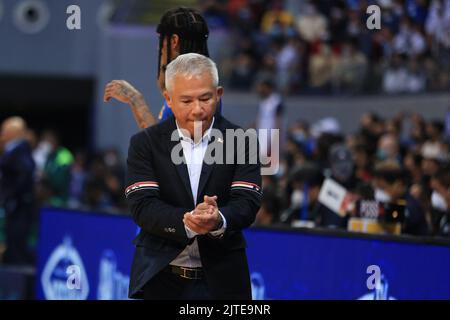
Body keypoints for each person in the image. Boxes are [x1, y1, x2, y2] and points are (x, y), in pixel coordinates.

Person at [125, 53, 261, 300]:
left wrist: (218, 219)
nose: (197, 110)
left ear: (219, 94)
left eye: (206, 98)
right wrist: (187, 222)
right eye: (186, 101)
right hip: (161, 279)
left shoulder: (242, 140)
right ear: (168, 99)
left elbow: (247, 201)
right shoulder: (144, 143)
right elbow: (142, 206)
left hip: (224, 282)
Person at [104, 7, 217, 129]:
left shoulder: (193, 90)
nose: (159, 47)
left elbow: (162, 147)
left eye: (161, 39)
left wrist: (135, 100)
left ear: (174, 41)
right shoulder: (198, 82)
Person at [0, 117, 35, 265]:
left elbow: (25, 172)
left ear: (12, 132)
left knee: (16, 246)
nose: (1, 134)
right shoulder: (12, 150)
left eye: (4, 130)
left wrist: (11, 196)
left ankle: (18, 285)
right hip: (14, 206)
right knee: (12, 244)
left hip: (18, 206)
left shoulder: (19, 150)